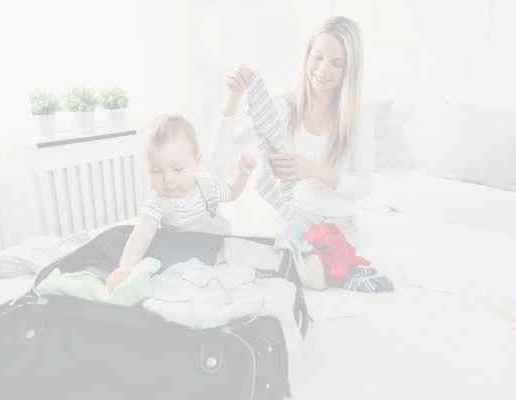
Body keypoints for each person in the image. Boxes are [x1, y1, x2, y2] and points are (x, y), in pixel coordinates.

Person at [208, 16, 374, 290]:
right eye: (317, 57)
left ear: (349, 70)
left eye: (336, 63)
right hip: (295, 218)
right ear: (308, 55)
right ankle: (303, 258)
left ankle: (338, 264)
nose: (322, 70)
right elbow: (218, 154)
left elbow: (364, 187)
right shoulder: (284, 108)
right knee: (240, 258)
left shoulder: (357, 118)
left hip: (338, 225)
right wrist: (231, 100)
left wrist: (314, 170)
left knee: (313, 278)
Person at [106, 114, 257, 293]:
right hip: (187, 265)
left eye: (177, 169)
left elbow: (231, 192)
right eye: (156, 171)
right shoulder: (158, 202)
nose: (168, 179)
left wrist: (242, 175)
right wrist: (126, 267)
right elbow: (141, 234)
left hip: (221, 252)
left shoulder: (208, 184)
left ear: (196, 163)